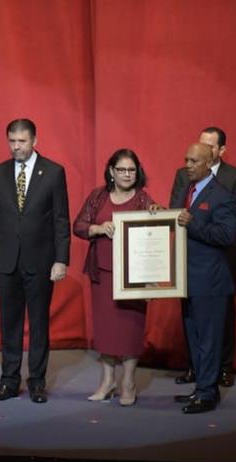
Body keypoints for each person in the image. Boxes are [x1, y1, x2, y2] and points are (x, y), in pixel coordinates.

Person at [0, 118, 71, 403]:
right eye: (12, 141)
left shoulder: (54, 172)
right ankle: (8, 381)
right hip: (6, 262)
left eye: (22, 141)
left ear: (35, 141)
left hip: (41, 263)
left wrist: (61, 259)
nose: (16, 147)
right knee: (9, 324)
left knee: (40, 324)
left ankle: (37, 382)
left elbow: (60, 220)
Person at [73, 148, 160, 406]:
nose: (126, 174)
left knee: (130, 330)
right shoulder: (98, 197)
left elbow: (159, 224)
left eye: (131, 170)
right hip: (102, 273)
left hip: (134, 276)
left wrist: (157, 213)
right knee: (106, 330)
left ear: (138, 172)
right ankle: (107, 381)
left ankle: (128, 382)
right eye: (121, 169)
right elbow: (78, 225)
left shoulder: (144, 199)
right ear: (111, 171)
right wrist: (98, 228)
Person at [170, 127, 236, 387]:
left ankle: (208, 387)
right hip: (188, 270)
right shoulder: (186, 181)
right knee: (193, 329)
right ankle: (199, 380)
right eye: (186, 160)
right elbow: (175, 214)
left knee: (212, 331)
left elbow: (228, 231)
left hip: (212, 272)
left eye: (194, 161)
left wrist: (192, 224)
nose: (187, 166)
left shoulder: (225, 187)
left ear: (213, 157)